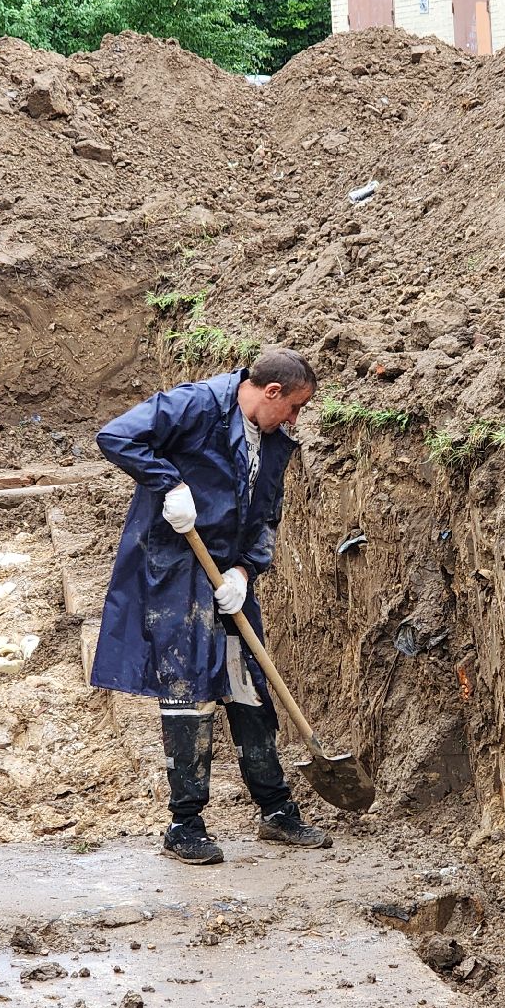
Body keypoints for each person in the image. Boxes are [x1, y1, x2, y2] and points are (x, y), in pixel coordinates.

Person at [91, 348, 331, 864]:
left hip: (227, 575)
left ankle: (275, 809)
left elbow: (266, 514)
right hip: (176, 568)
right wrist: (169, 483)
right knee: (187, 690)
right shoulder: (195, 406)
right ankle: (185, 823)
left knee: (249, 687)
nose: (295, 420)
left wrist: (246, 571)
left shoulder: (271, 439)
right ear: (271, 392)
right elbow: (115, 436)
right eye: (294, 407)